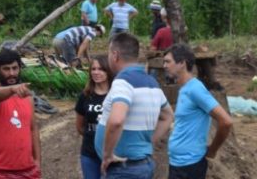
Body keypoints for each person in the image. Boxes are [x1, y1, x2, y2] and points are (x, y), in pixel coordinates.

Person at [95, 33, 174, 178]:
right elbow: (168, 116)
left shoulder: (123, 81)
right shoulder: (152, 83)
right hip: (141, 165)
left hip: (123, 169)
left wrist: (107, 155)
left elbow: (116, 120)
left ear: (115, 55)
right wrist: (147, 142)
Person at [163, 44, 233, 179]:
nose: (164, 66)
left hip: (189, 167)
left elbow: (226, 121)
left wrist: (212, 150)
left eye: (168, 61)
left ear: (182, 63)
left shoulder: (195, 89)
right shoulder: (184, 88)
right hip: (179, 164)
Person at [0, 49, 41, 179]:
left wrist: (38, 162)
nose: (11, 73)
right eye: (6, 69)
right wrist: (13, 89)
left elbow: (33, 129)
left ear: (20, 68)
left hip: (28, 169)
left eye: (15, 68)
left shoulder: (27, 97)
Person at [75, 55, 114, 179]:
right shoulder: (85, 95)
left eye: (101, 69)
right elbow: (80, 126)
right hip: (89, 153)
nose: (96, 72)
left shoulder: (116, 95)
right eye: (93, 69)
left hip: (112, 153)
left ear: (109, 71)